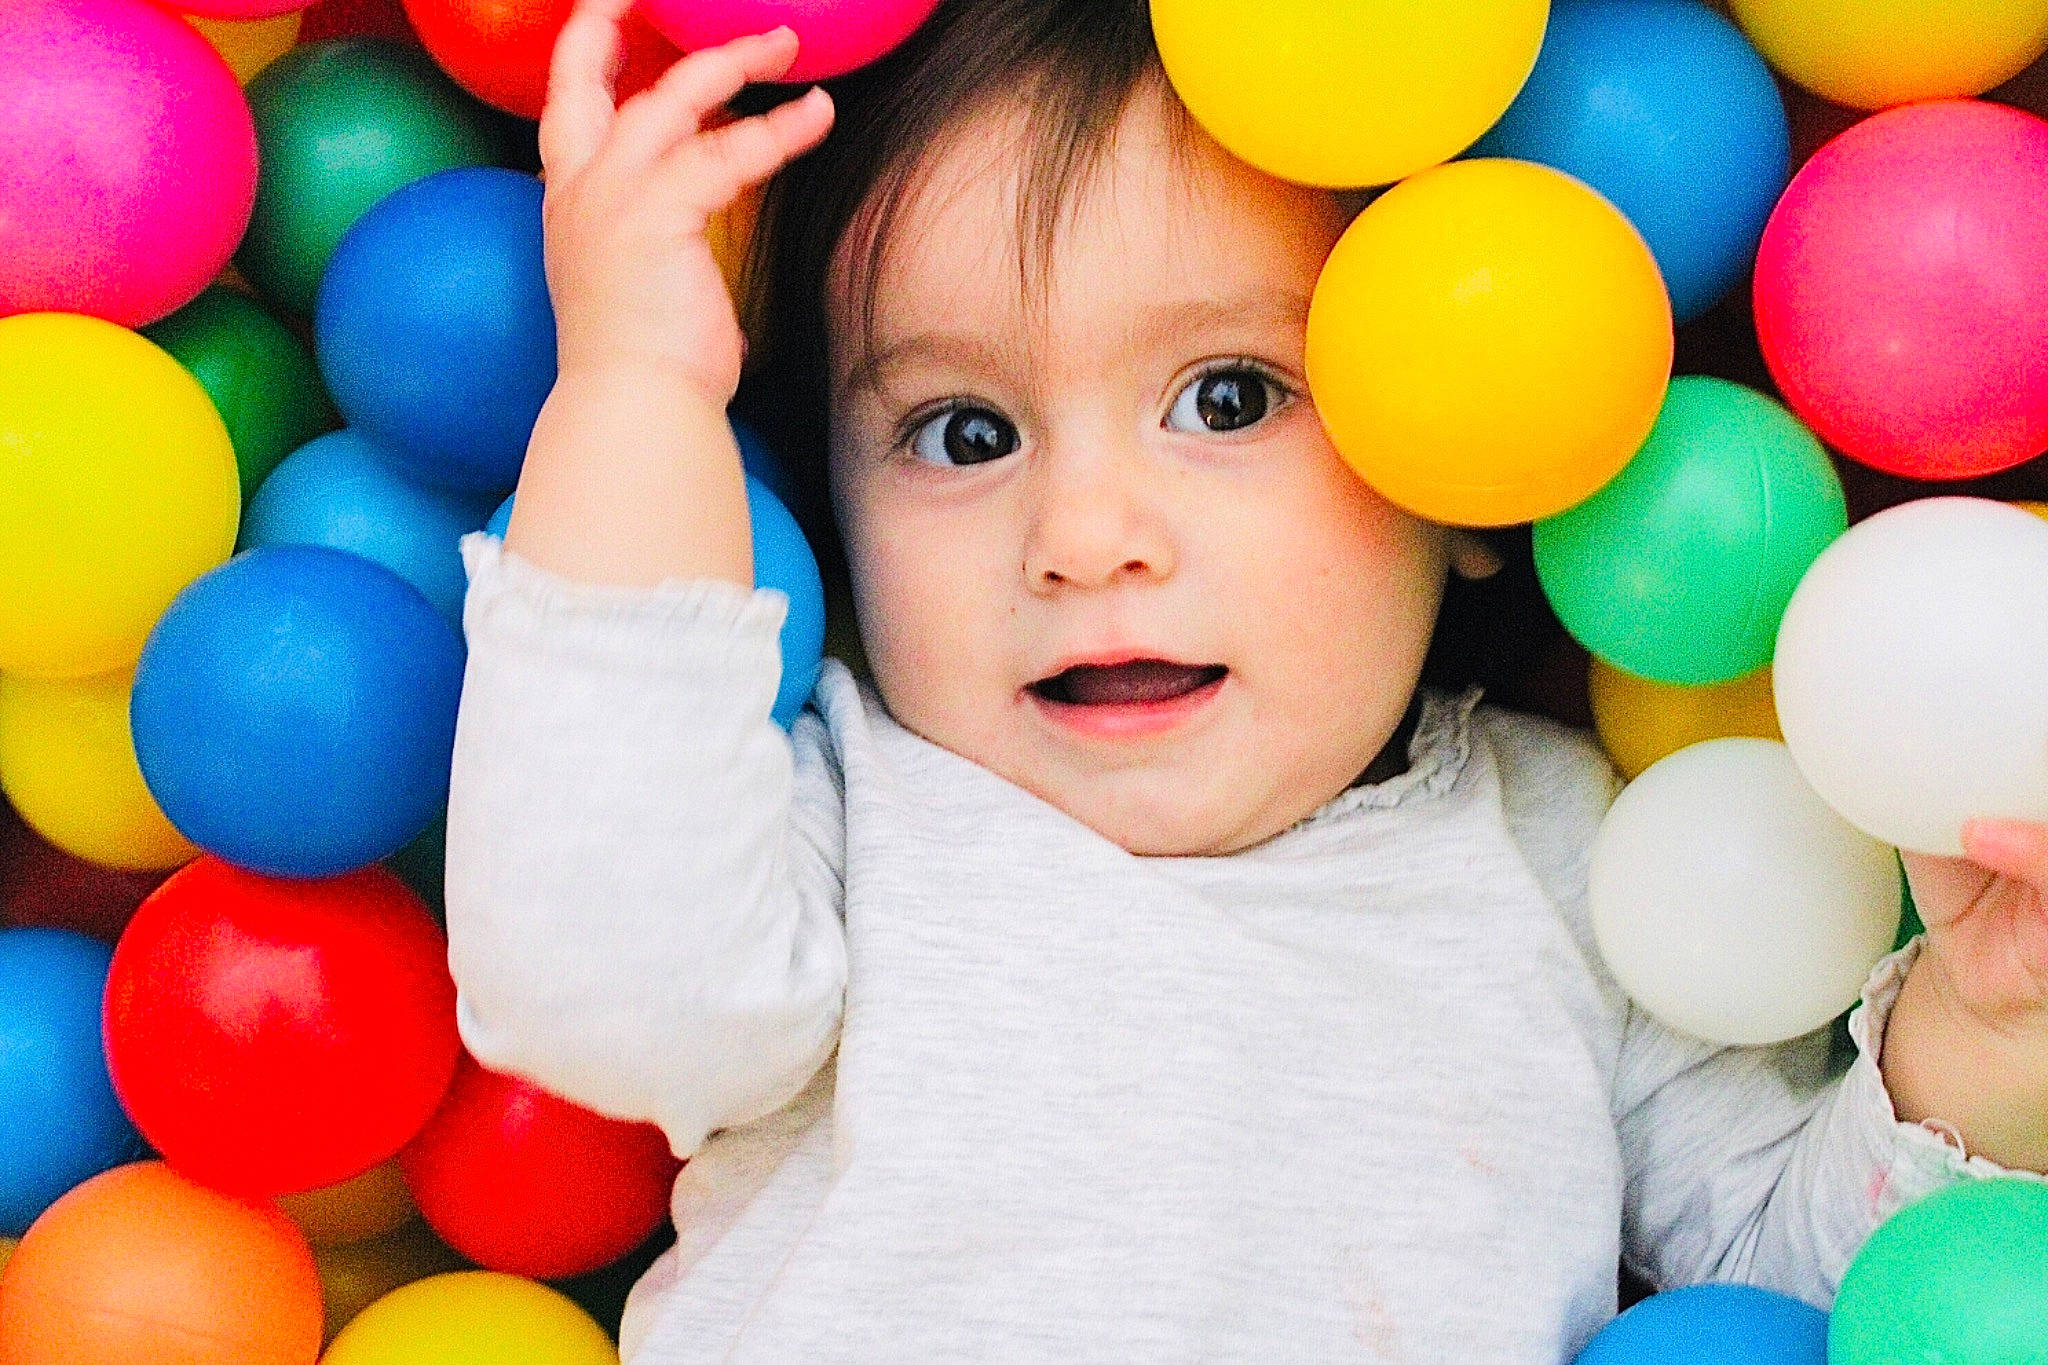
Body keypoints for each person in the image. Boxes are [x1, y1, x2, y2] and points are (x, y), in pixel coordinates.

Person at [444, 0, 2048, 1358]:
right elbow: (597, 981)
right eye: (964, 434)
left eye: (1226, 398)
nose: (1085, 536)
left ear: (1472, 466)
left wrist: (1984, 1023)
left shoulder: (1576, 858)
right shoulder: (841, 821)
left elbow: (1800, 1275)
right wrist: (636, 389)